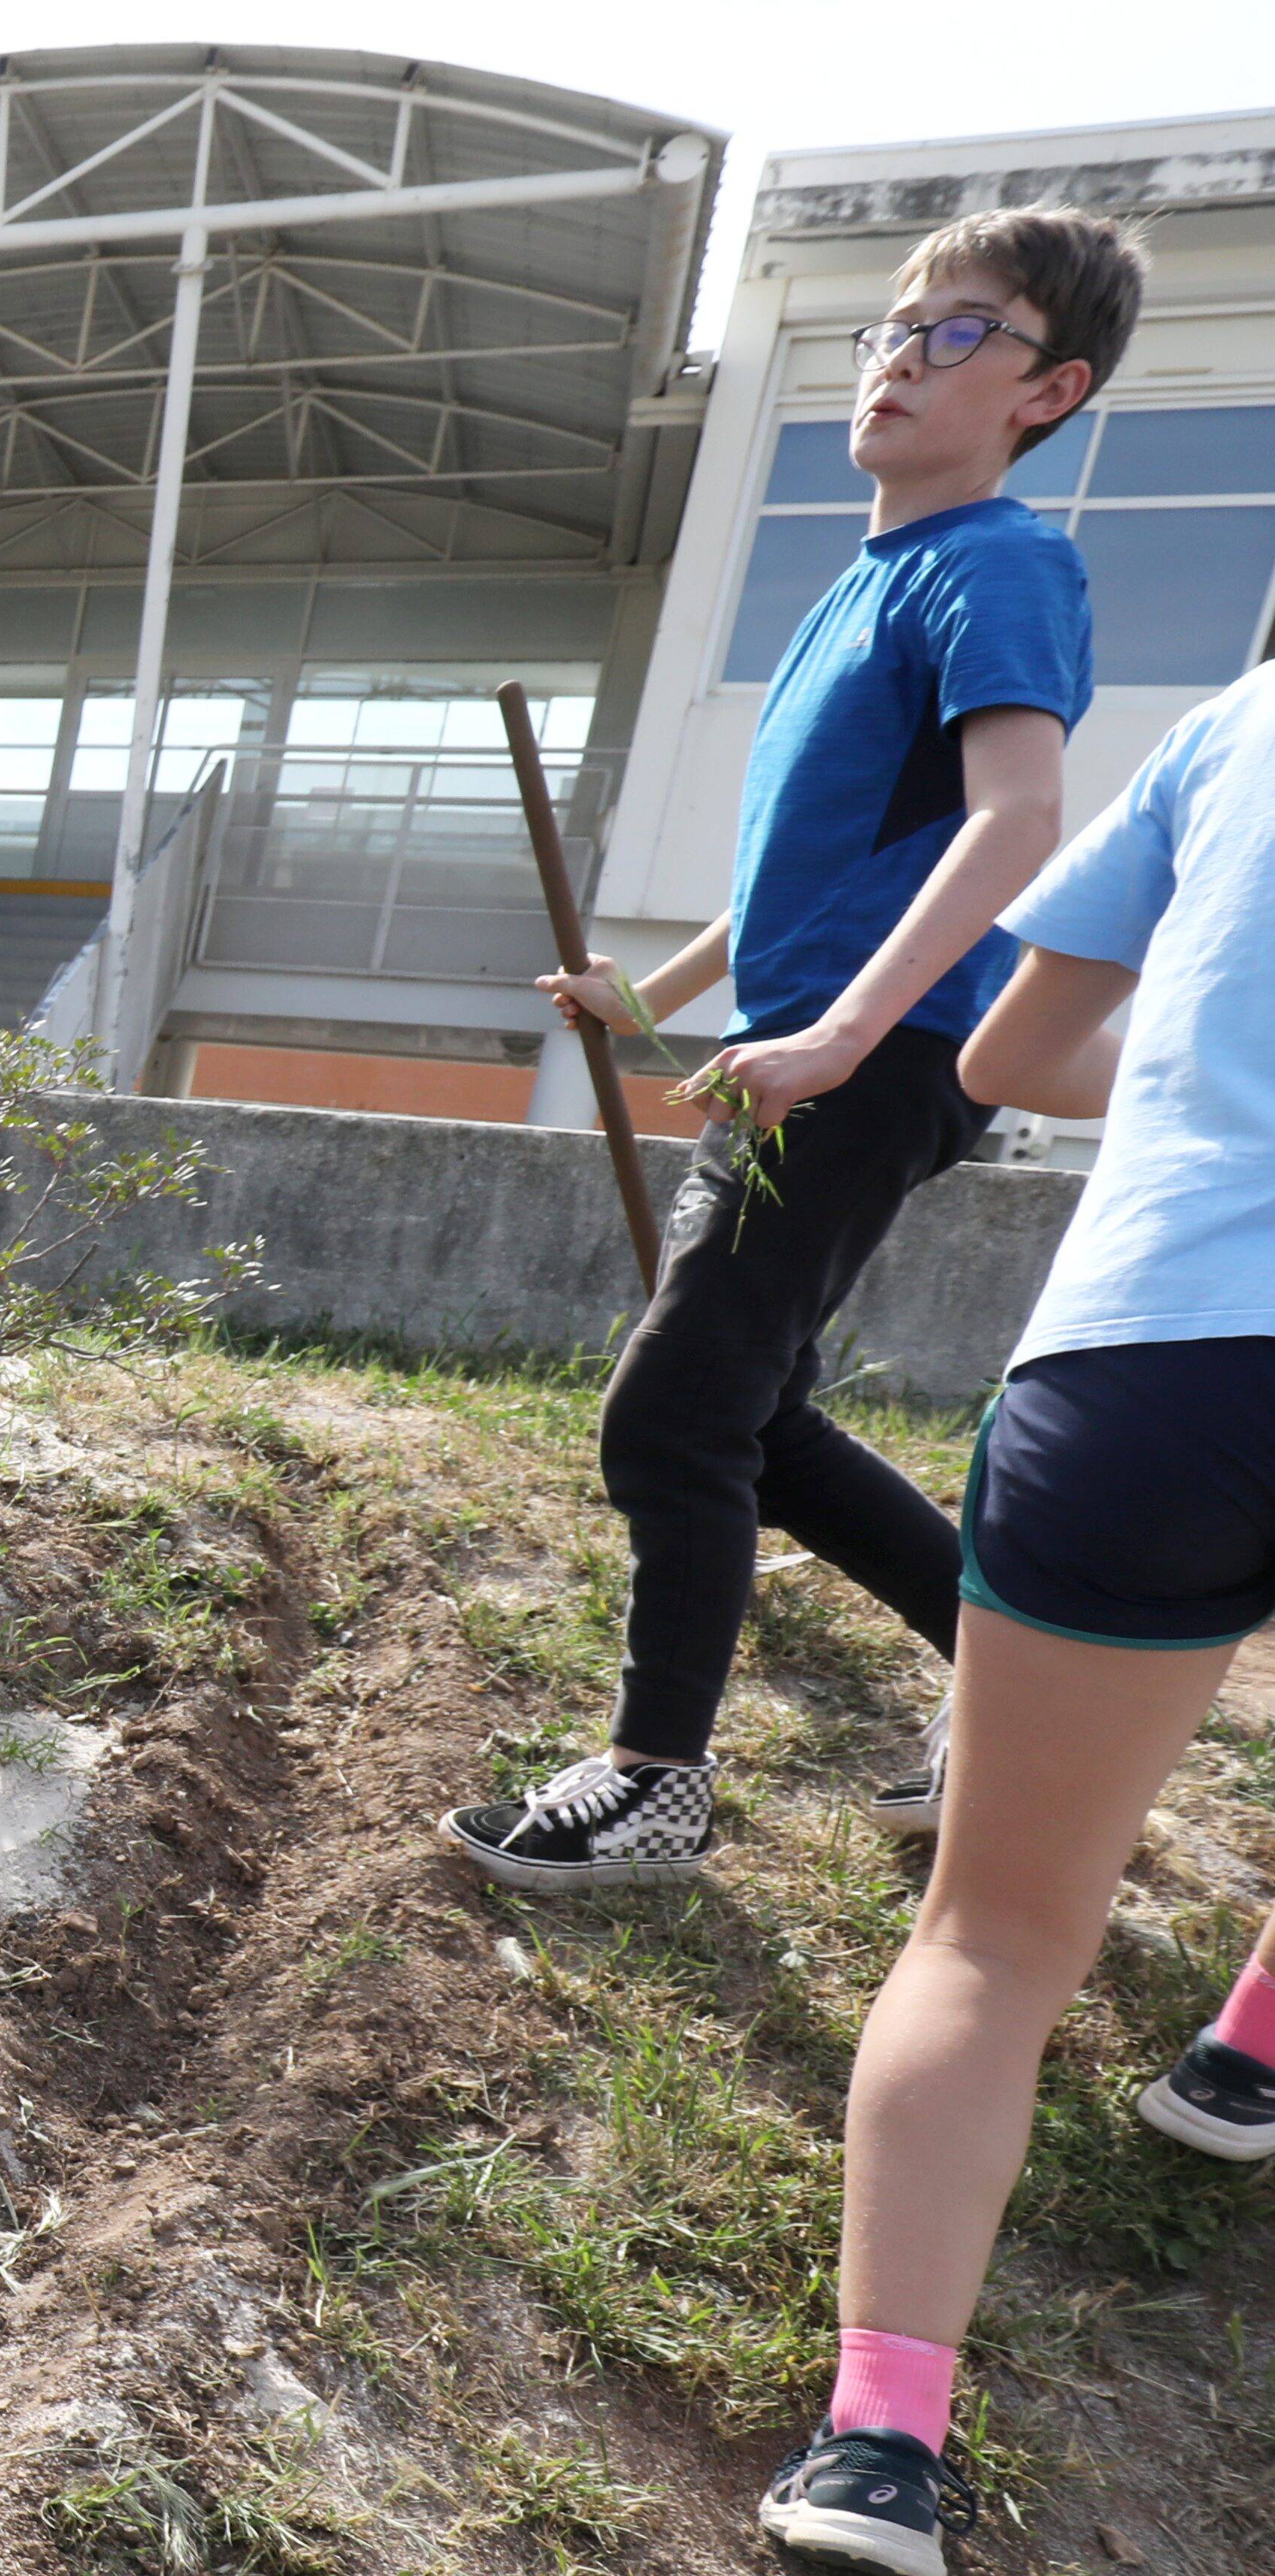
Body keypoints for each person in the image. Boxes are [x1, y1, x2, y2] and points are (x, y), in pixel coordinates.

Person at [446, 207, 1139, 1894]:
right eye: (892, 329)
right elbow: (807, 878)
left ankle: (653, 1775)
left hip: (871, 1058)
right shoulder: (868, 578)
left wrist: (841, 1033)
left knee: (669, 1414)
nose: (901, 356)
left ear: (1046, 391)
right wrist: (654, 994)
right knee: (753, 1423)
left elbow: (1017, 820)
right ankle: (1009, 1684)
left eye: (957, 333)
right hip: (803, 1044)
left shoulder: (1002, 563)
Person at [760, 651, 1275, 2576]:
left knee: (993, 1931)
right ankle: (1248, 2049)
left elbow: (1008, 1057)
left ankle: (879, 2441)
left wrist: (1223, 1068)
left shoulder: (1237, 727)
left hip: (1151, 1357)